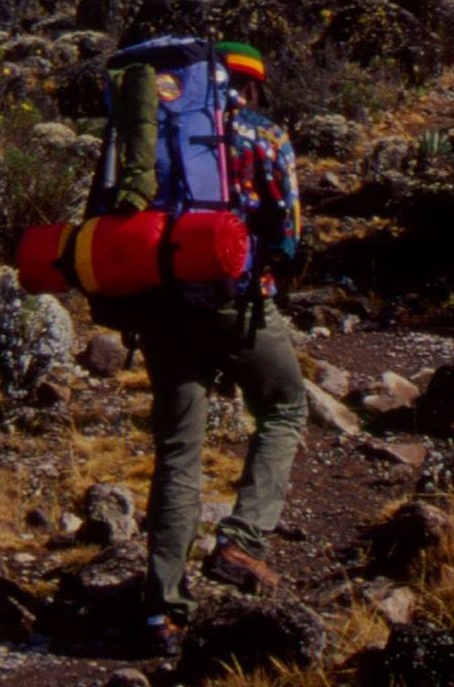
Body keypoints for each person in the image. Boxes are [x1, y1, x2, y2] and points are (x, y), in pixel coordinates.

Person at [139, 40, 306, 661]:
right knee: (284, 407)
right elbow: (287, 234)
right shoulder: (262, 133)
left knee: (179, 449)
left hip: (162, 306)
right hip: (238, 304)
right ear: (252, 84)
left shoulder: (155, 132)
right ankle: (242, 540)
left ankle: (162, 610)